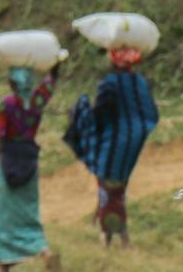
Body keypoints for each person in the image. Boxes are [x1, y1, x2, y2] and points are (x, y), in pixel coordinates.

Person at [64, 46, 159, 248]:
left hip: (113, 146)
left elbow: (100, 115)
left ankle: (113, 237)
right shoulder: (139, 83)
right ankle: (113, 231)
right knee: (117, 189)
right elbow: (150, 113)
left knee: (109, 190)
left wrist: (80, 112)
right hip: (131, 146)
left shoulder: (109, 84)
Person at [0, 64, 61, 272]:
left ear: (11, 83)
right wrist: (54, 64)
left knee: (1, 218)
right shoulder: (37, 102)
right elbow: (51, 82)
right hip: (29, 162)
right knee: (28, 213)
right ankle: (43, 250)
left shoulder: (4, 105)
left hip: (6, 162)